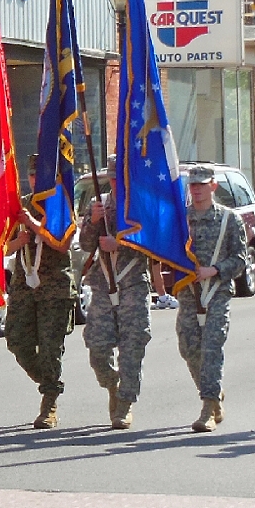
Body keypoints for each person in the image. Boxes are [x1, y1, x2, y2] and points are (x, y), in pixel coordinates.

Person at [79, 154, 154, 429]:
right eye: (110, 177)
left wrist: (119, 243)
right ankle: (112, 383)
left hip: (132, 283)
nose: (114, 181)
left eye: (118, 176)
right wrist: (93, 222)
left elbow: (152, 243)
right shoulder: (99, 204)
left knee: (132, 346)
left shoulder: (139, 206)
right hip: (102, 283)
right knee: (97, 347)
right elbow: (85, 244)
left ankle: (124, 403)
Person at [4, 154, 77, 429]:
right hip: (24, 284)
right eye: (32, 175)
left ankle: (49, 403)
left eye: (40, 175)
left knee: (49, 348)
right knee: (16, 341)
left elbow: (63, 245)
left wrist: (34, 226)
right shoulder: (21, 205)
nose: (35, 180)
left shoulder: (59, 202)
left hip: (54, 287)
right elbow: (4, 246)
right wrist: (18, 240)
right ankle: (49, 382)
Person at [175, 165, 248, 433]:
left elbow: (240, 260)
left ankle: (207, 408)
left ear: (213, 186)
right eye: (193, 184)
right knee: (189, 348)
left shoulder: (230, 220)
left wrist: (215, 270)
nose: (196, 189)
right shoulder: (181, 220)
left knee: (211, 349)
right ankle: (214, 393)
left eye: (202, 184)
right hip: (188, 292)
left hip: (217, 292)